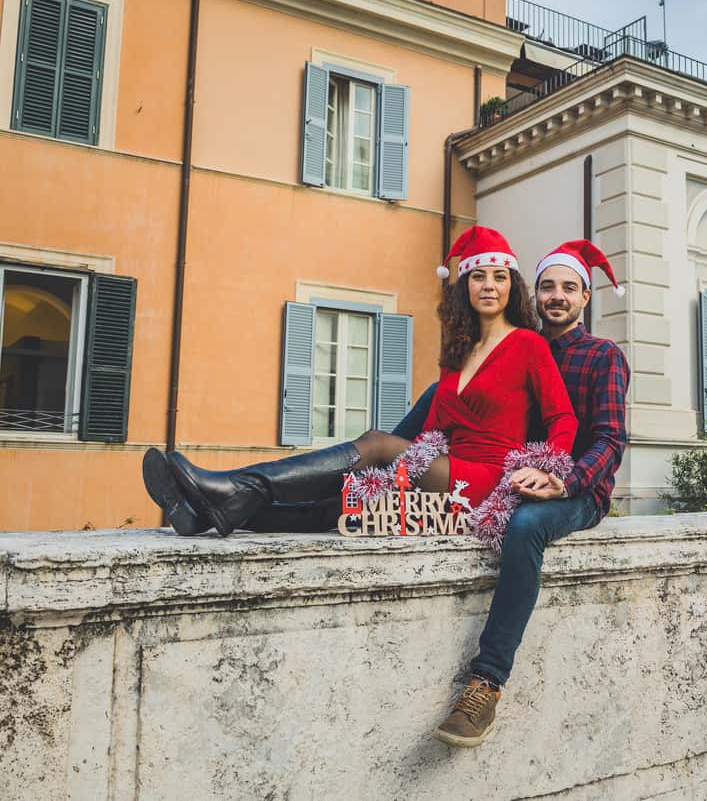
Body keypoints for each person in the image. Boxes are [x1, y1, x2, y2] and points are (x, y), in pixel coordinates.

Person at [141, 226, 578, 548]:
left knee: (376, 444)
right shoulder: (458, 353)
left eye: (500, 277)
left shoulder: (528, 344)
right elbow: (431, 431)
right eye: (479, 277)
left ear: (511, 286)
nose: (489, 286)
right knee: (341, 505)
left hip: (487, 478)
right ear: (464, 286)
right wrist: (381, 477)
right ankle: (210, 515)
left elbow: (562, 416)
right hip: (444, 471)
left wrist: (549, 471)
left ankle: (236, 485)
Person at [423, 240, 630, 747]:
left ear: (585, 297)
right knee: (425, 408)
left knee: (526, 527)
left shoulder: (602, 355)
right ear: (533, 294)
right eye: (547, 287)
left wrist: (566, 480)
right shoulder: (517, 345)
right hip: (510, 477)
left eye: (569, 288)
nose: (557, 296)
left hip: (577, 490)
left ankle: (486, 682)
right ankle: (379, 461)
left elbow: (609, 440)